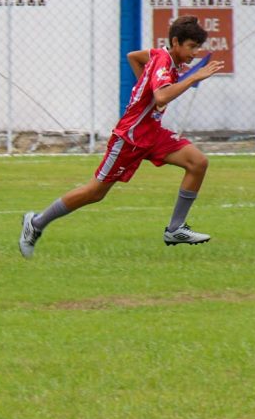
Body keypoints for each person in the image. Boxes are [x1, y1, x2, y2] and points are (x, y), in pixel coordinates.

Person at [19, 15, 225, 258]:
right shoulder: (163, 61)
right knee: (95, 192)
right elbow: (161, 97)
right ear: (176, 42)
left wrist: (144, 87)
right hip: (130, 138)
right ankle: (36, 223)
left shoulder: (161, 56)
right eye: (191, 47)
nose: (195, 53)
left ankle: (175, 228)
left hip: (153, 133)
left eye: (197, 48)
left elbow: (134, 57)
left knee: (197, 162)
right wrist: (191, 79)